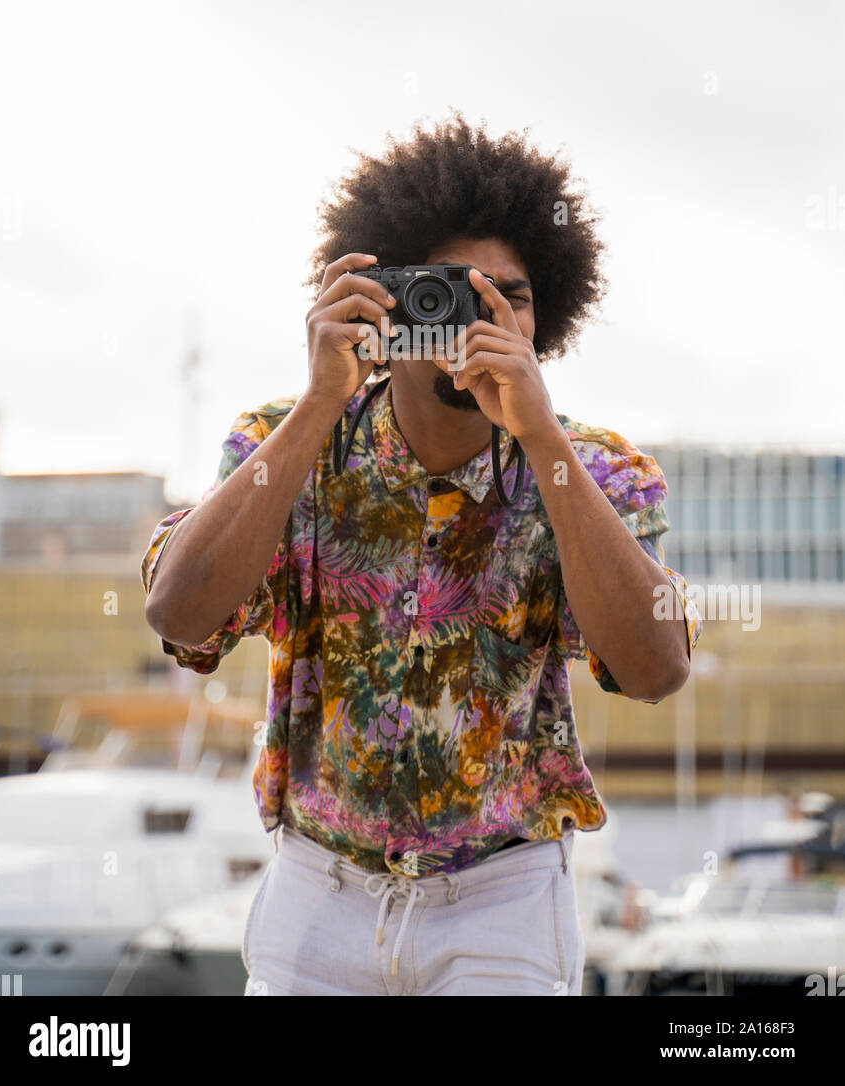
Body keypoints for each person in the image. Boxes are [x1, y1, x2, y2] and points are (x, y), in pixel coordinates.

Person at [141, 112, 702, 996]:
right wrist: (319, 404)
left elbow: (655, 667)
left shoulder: (596, 468)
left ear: (545, 315)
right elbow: (179, 612)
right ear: (384, 297)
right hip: (318, 890)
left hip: (501, 898)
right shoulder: (282, 441)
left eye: (508, 296)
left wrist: (541, 433)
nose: (478, 313)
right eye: (449, 287)